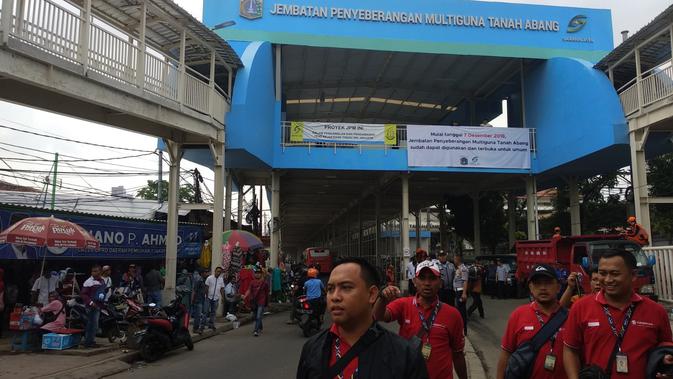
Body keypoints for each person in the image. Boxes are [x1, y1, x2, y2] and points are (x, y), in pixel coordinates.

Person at [296, 257, 429, 379]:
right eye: (330, 289)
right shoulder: (313, 349)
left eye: (346, 287)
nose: (335, 296)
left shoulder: (404, 356)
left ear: (372, 294)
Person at [563, 249, 673, 379]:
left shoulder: (656, 311)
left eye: (615, 274)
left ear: (633, 275)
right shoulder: (581, 307)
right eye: (602, 273)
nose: (608, 280)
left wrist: (667, 366)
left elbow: (665, 349)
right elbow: (570, 350)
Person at [375, 260, 468, 379]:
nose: (427, 283)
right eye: (422, 278)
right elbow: (379, 316)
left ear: (440, 282)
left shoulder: (453, 314)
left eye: (432, 278)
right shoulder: (404, 305)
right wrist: (382, 298)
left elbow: (458, 354)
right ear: (414, 281)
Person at [497, 264, 567, 379]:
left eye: (548, 283)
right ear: (530, 287)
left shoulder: (570, 317)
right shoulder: (518, 315)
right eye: (537, 283)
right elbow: (506, 354)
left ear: (558, 287)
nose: (543, 288)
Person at [81, 265, 105, 348]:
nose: (93, 273)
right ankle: (88, 342)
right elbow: (84, 294)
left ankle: (91, 341)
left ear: (100, 272)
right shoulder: (88, 282)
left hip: (98, 306)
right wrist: (91, 302)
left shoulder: (102, 281)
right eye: (92, 271)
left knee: (95, 325)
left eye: (95, 271)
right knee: (91, 324)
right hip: (91, 306)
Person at [244, 267, 270, 337]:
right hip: (254, 301)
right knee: (256, 316)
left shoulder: (264, 283)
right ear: (254, 274)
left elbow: (267, 293)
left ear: (261, 274)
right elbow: (249, 290)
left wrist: (267, 302)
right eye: (256, 273)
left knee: (258, 316)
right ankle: (260, 326)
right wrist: (245, 296)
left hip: (261, 301)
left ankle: (256, 330)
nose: (257, 275)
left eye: (259, 273)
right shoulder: (252, 282)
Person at [204, 266, 225, 331]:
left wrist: (223, 297)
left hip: (216, 298)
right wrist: (207, 296)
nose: (219, 273)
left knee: (213, 312)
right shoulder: (209, 278)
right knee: (205, 312)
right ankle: (202, 325)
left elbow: (222, 289)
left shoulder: (221, 279)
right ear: (215, 271)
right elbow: (206, 287)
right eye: (218, 271)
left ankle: (211, 325)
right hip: (209, 297)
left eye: (220, 272)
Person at [453, 254, 469, 335]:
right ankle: (460, 328)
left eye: (455, 258)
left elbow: (465, 281)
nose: (454, 260)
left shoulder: (463, 269)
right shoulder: (458, 268)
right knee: (458, 310)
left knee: (462, 312)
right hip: (457, 291)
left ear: (458, 259)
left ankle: (464, 330)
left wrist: (464, 293)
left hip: (461, 292)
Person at [191, 268, 209, 334]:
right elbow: (194, 290)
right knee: (198, 315)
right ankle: (195, 328)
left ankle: (197, 328)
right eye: (205, 272)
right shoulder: (199, 280)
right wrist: (192, 300)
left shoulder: (202, 280)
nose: (206, 274)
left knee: (199, 314)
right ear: (202, 273)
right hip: (198, 300)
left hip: (201, 299)